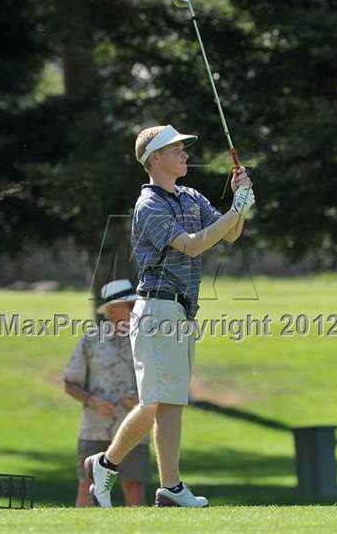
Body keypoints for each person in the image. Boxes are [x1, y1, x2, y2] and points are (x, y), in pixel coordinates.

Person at [84, 124, 255, 507]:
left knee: (169, 401)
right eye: (175, 149)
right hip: (157, 307)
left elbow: (228, 235)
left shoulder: (191, 196)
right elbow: (192, 246)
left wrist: (241, 203)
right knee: (157, 401)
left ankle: (163, 486)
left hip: (181, 310)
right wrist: (236, 209)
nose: (184, 154)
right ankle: (114, 466)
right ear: (154, 158)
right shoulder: (150, 205)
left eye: (182, 148)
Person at [64, 279, 151, 507]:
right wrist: (91, 401)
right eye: (126, 305)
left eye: (133, 305)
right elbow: (70, 383)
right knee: (86, 487)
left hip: (134, 427)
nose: (133, 310)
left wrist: (142, 399)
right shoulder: (91, 340)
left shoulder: (146, 340)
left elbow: (158, 380)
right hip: (94, 429)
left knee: (133, 486)